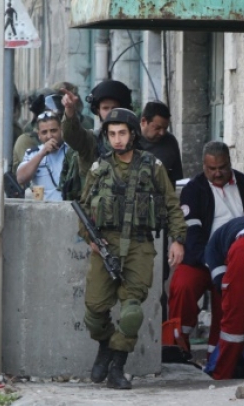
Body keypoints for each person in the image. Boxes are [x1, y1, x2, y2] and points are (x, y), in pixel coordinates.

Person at [77, 108, 187, 390]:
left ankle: (117, 366)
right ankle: (106, 344)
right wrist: (89, 238)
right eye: (112, 134)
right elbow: (84, 207)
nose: (117, 139)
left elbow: (171, 204)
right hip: (105, 245)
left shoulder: (152, 166)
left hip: (139, 246)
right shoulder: (99, 168)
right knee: (94, 312)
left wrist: (177, 239)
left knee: (131, 312)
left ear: (133, 134)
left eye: (122, 133)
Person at [169, 141, 244, 354]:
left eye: (222, 167)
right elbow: (192, 234)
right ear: (203, 166)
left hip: (236, 259)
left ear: (230, 162)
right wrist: (211, 261)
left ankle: (217, 355)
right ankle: (177, 345)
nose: (217, 173)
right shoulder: (193, 189)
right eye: (212, 169)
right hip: (201, 258)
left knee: (227, 297)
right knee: (182, 285)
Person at [204, 215, 244, 380]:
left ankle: (222, 374)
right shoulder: (233, 228)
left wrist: (241, 305)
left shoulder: (211, 250)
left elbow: (222, 285)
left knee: (234, 325)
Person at [61, 79, 133, 183]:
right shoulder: (90, 141)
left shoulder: (134, 140)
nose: (110, 112)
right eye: (105, 108)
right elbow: (71, 135)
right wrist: (70, 109)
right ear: (98, 111)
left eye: (114, 108)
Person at [16, 110, 70, 201]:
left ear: (61, 130)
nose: (49, 136)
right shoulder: (33, 154)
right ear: (39, 135)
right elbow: (21, 179)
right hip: (43, 208)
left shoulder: (70, 151)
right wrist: (41, 153)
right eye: (44, 132)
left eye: (53, 131)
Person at [138, 101, 184, 186]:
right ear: (144, 121)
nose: (162, 133)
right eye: (157, 128)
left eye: (165, 128)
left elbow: (176, 178)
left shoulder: (170, 141)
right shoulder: (129, 140)